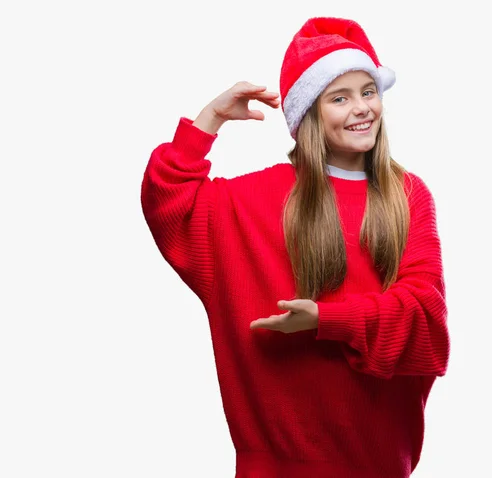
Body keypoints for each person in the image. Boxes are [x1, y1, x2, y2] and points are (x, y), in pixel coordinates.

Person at [141, 16, 450, 478]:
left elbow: (426, 321)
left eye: (368, 91)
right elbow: (170, 202)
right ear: (309, 114)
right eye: (339, 98)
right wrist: (210, 120)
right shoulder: (252, 201)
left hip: (379, 468)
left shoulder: (407, 196)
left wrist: (328, 321)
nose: (361, 108)